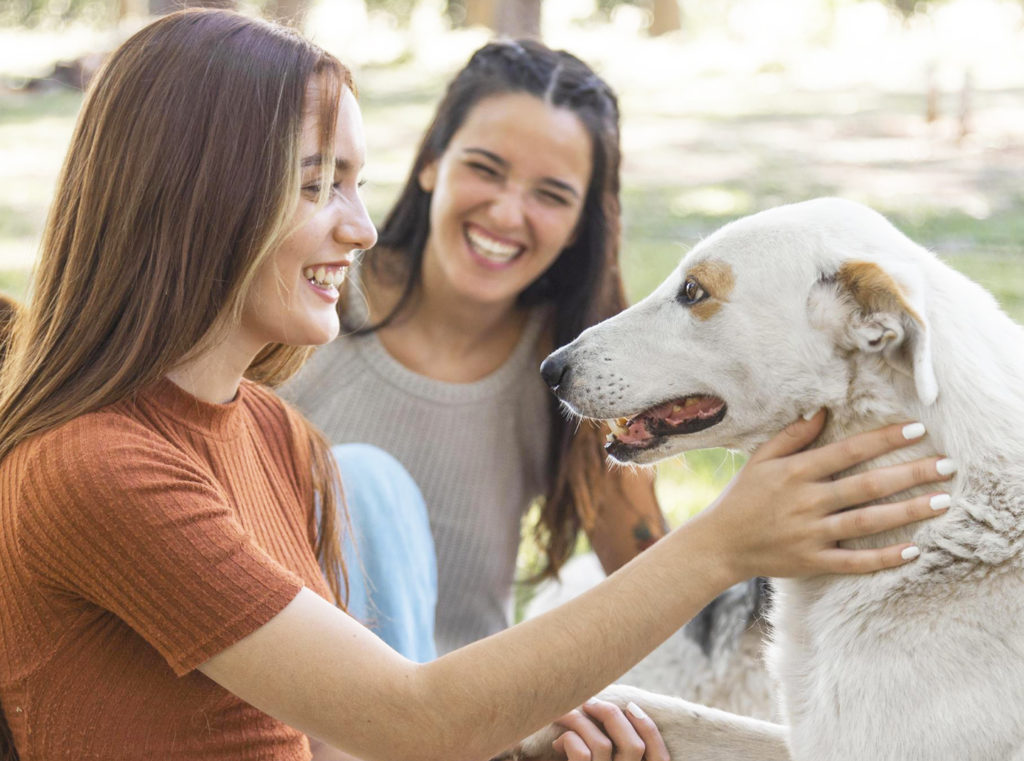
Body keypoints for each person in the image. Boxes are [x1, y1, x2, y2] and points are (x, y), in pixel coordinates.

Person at [0, 9, 953, 761]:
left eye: (358, 184)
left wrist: (511, 727)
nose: (361, 228)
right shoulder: (98, 468)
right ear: (195, 196)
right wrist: (724, 543)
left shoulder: (269, 437)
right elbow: (403, 718)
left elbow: (330, 739)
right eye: (317, 184)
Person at [283, 39, 670, 658]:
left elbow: (660, 590)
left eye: (550, 195)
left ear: (580, 225)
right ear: (433, 161)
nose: (507, 213)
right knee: (363, 481)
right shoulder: (305, 303)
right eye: (485, 170)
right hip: (280, 707)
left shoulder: (573, 375)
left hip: (461, 723)